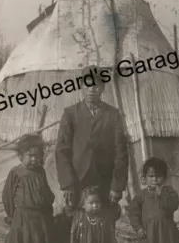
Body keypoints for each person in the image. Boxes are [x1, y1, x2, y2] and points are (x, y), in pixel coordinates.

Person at [55, 67, 129, 211]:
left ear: (102, 88)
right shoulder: (70, 113)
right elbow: (62, 150)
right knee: (77, 222)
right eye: (87, 85)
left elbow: (121, 152)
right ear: (81, 87)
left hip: (104, 179)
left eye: (95, 86)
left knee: (105, 222)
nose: (91, 89)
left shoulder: (113, 114)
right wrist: (67, 184)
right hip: (77, 178)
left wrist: (117, 186)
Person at [0, 134, 55, 243]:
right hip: (23, 217)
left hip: (40, 217)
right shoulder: (16, 173)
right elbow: (8, 195)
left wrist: (48, 206)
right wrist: (11, 215)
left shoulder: (41, 172)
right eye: (30, 156)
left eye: (37, 156)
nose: (34, 159)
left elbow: (46, 192)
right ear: (20, 156)